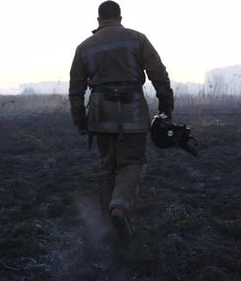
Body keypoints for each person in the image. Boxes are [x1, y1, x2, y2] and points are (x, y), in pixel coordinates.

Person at [69, 0, 174, 243]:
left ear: (98, 20)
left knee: (107, 166)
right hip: (133, 112)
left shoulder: (84, 47)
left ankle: (109, 228)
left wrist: (80, 120)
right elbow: (159, 74)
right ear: (120, 17)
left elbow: (75, 90)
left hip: (100, 114)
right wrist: (166, 106)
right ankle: (120, 208)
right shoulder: (137, 39)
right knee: (132, 162)